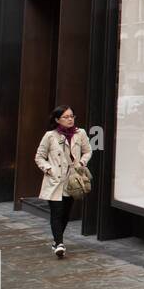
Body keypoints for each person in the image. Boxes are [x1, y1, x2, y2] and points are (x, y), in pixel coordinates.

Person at [34, 105, 93, 258]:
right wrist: (48, 169)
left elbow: (88, 151)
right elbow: (39, 156)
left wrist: (82, 163)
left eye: (72, 116)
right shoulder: (50, 136)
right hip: (55, 181)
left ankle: (56, 241)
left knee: (66, 214)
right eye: (66, 117)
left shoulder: (80, 134)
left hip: (72, 181)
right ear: (57, 119)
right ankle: (59, 243)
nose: (70, 119)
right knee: (57, 212)